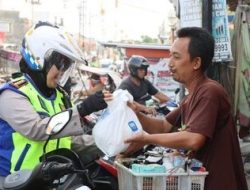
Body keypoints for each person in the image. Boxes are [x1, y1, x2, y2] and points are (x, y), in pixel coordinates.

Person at [124, 27, 247, 190]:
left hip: (219, 183)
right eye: (170, 55)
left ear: (196, 62)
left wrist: (146, 139)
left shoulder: (210, 91)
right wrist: (131, 110)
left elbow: (193, 139)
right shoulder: (190, 97)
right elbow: (162, 127)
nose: (170, 63)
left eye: (176, 57)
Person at [0, 22, 111, 181]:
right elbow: (36, 129)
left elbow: (70, 141)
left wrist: (110, 142)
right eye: (60, 64)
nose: (62, 71)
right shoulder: (13, 94)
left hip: (52, 179)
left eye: (66, 65)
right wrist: (82, 109)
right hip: (15, 181)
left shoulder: (59, 96)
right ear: (39, 57)